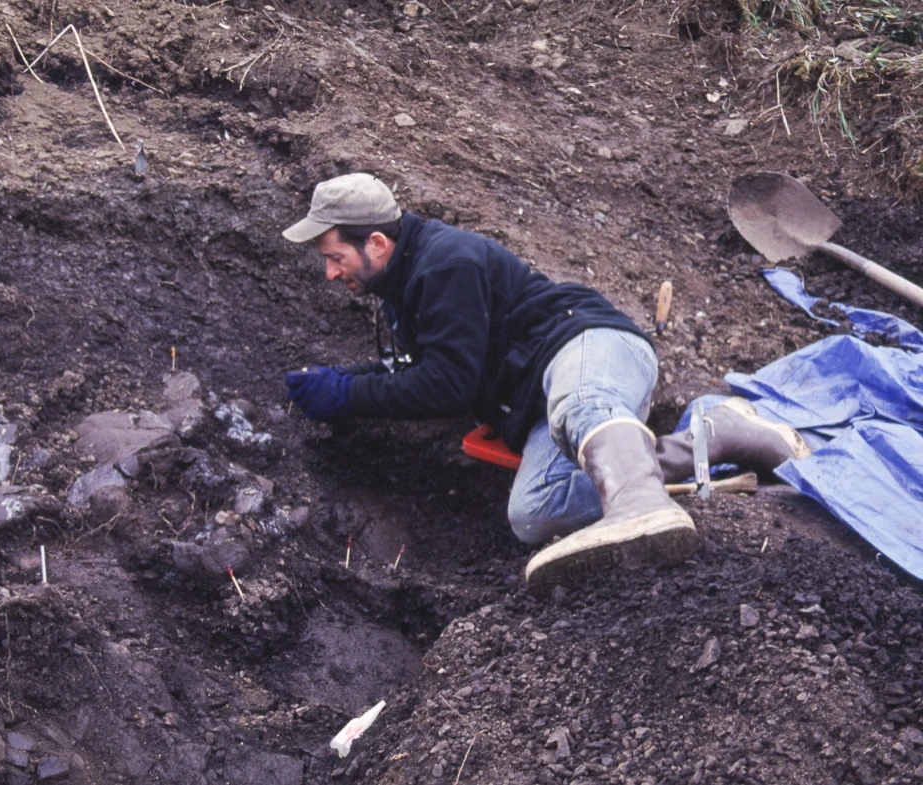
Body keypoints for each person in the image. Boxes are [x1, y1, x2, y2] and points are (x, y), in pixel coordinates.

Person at [282, 173, 811, 595]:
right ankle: (712, 437)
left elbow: (449, 385)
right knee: (534, 514)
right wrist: (341, 382)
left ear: (375, 241)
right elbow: (427, 366)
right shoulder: (404, 282)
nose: (330, 272)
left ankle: (638, 506)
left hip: (589, 346)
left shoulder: (446, 263)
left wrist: (347, 396)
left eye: (335, 257)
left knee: (579, 400)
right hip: (544, 404)